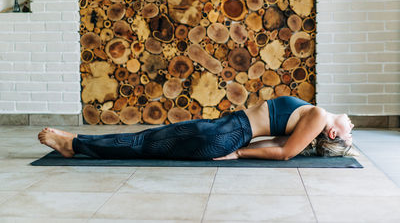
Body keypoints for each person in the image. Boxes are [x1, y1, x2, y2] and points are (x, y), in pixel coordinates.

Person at [38, 96, 355, 161]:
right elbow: (277, 140)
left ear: (333, 134)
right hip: (223, 131)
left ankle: (73, 144)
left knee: (141, 144)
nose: (351, 125)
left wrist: (238, 153)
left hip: (223, 135)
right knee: (143, 141)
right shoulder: (310, 119)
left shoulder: (319, 115)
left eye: (348, 134)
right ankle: (75, 142)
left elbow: (285, 153)